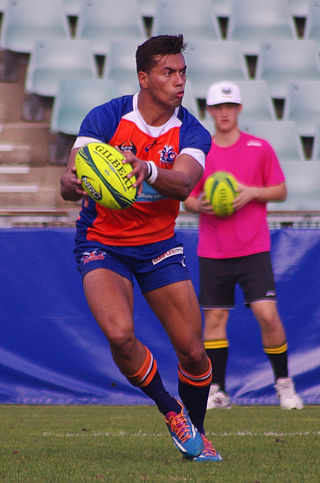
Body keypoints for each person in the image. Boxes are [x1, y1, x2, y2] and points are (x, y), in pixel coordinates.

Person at [60, 34, 222, 462]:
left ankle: (196, 431)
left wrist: (146, 168)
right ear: (144, 78)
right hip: (102, 241)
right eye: (169, 72)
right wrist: (70, 182)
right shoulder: (108, 116)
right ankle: (170, 408)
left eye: (183, 72)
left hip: (158, 246)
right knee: (119, 333)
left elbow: (185, 183)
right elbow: (67, 180)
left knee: (193, 350)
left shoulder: (191, 130)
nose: (179, 81)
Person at [184, 81, 303, 411]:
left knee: (267, 315)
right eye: (218, 107)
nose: (224, 112)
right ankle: (217, 390)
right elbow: (186, 199)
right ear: (210, 111)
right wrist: (200, 205)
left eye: (230, 106)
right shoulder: (200, 151)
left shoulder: (259, 147)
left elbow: (280, 190)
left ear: (238, 109)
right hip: (214, 250)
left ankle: (284, 384)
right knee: (215, 319)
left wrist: (251, 192)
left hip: (253, 248)